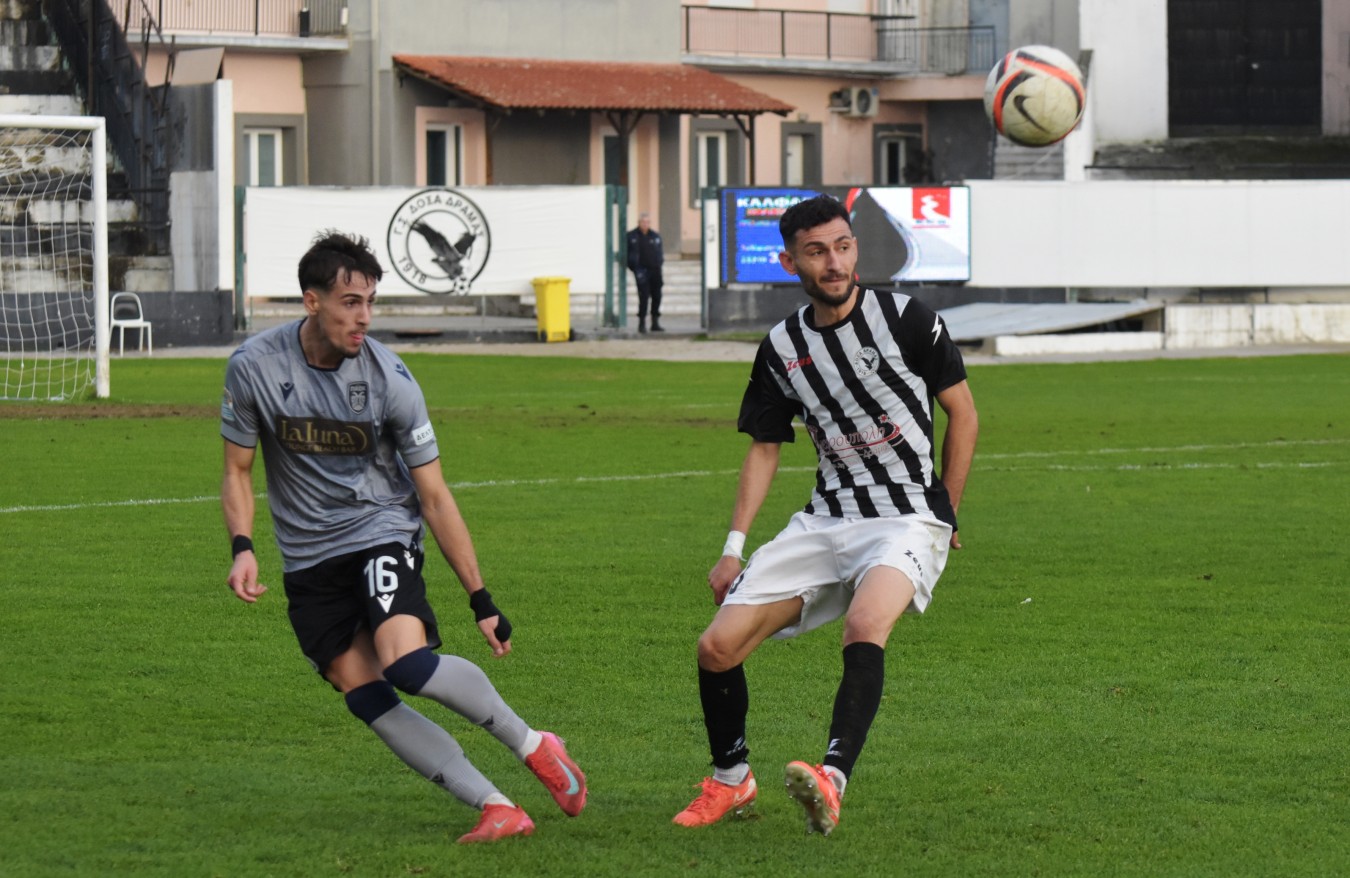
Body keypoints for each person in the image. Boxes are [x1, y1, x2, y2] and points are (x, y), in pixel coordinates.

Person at [220, 231, 586, 844]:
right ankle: (496, 806)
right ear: (312, 301)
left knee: (408, 665)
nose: (364, 317)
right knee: (364, 694)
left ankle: (531, 743)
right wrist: (243, 546)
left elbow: (434, 495)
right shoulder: (254, 367)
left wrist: (481, 598)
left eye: (370, 302)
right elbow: (236, 470)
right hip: (308, 560)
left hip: (380, 531)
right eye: (350, 302)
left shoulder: (390, 378)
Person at [672, 195, 978, 836]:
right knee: (717, 648)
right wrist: (732, 547)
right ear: (791, 262)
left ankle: (832, 781)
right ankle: (731, 780)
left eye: (842, 246)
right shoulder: (782, 347)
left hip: (906, 518)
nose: (834, 263)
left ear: (855, 247)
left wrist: (946, 510)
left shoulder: (907, 319)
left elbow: (963, 413)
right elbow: (764, 447)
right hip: (824, 520)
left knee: (865, 624)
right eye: (816, 252)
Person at [626, 212, 664, 333]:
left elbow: (659, 252)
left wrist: (659, 262)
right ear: (639, 223)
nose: (645, 224)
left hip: (655, 270)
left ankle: (655, 322)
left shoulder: (655, 236)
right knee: (644, 297)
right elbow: (628, 254)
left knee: (657, 296)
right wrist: (633, 266)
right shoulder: (632, 236)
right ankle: (642, 322)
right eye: (643, 222)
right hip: (641, 271)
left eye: (647, 222)